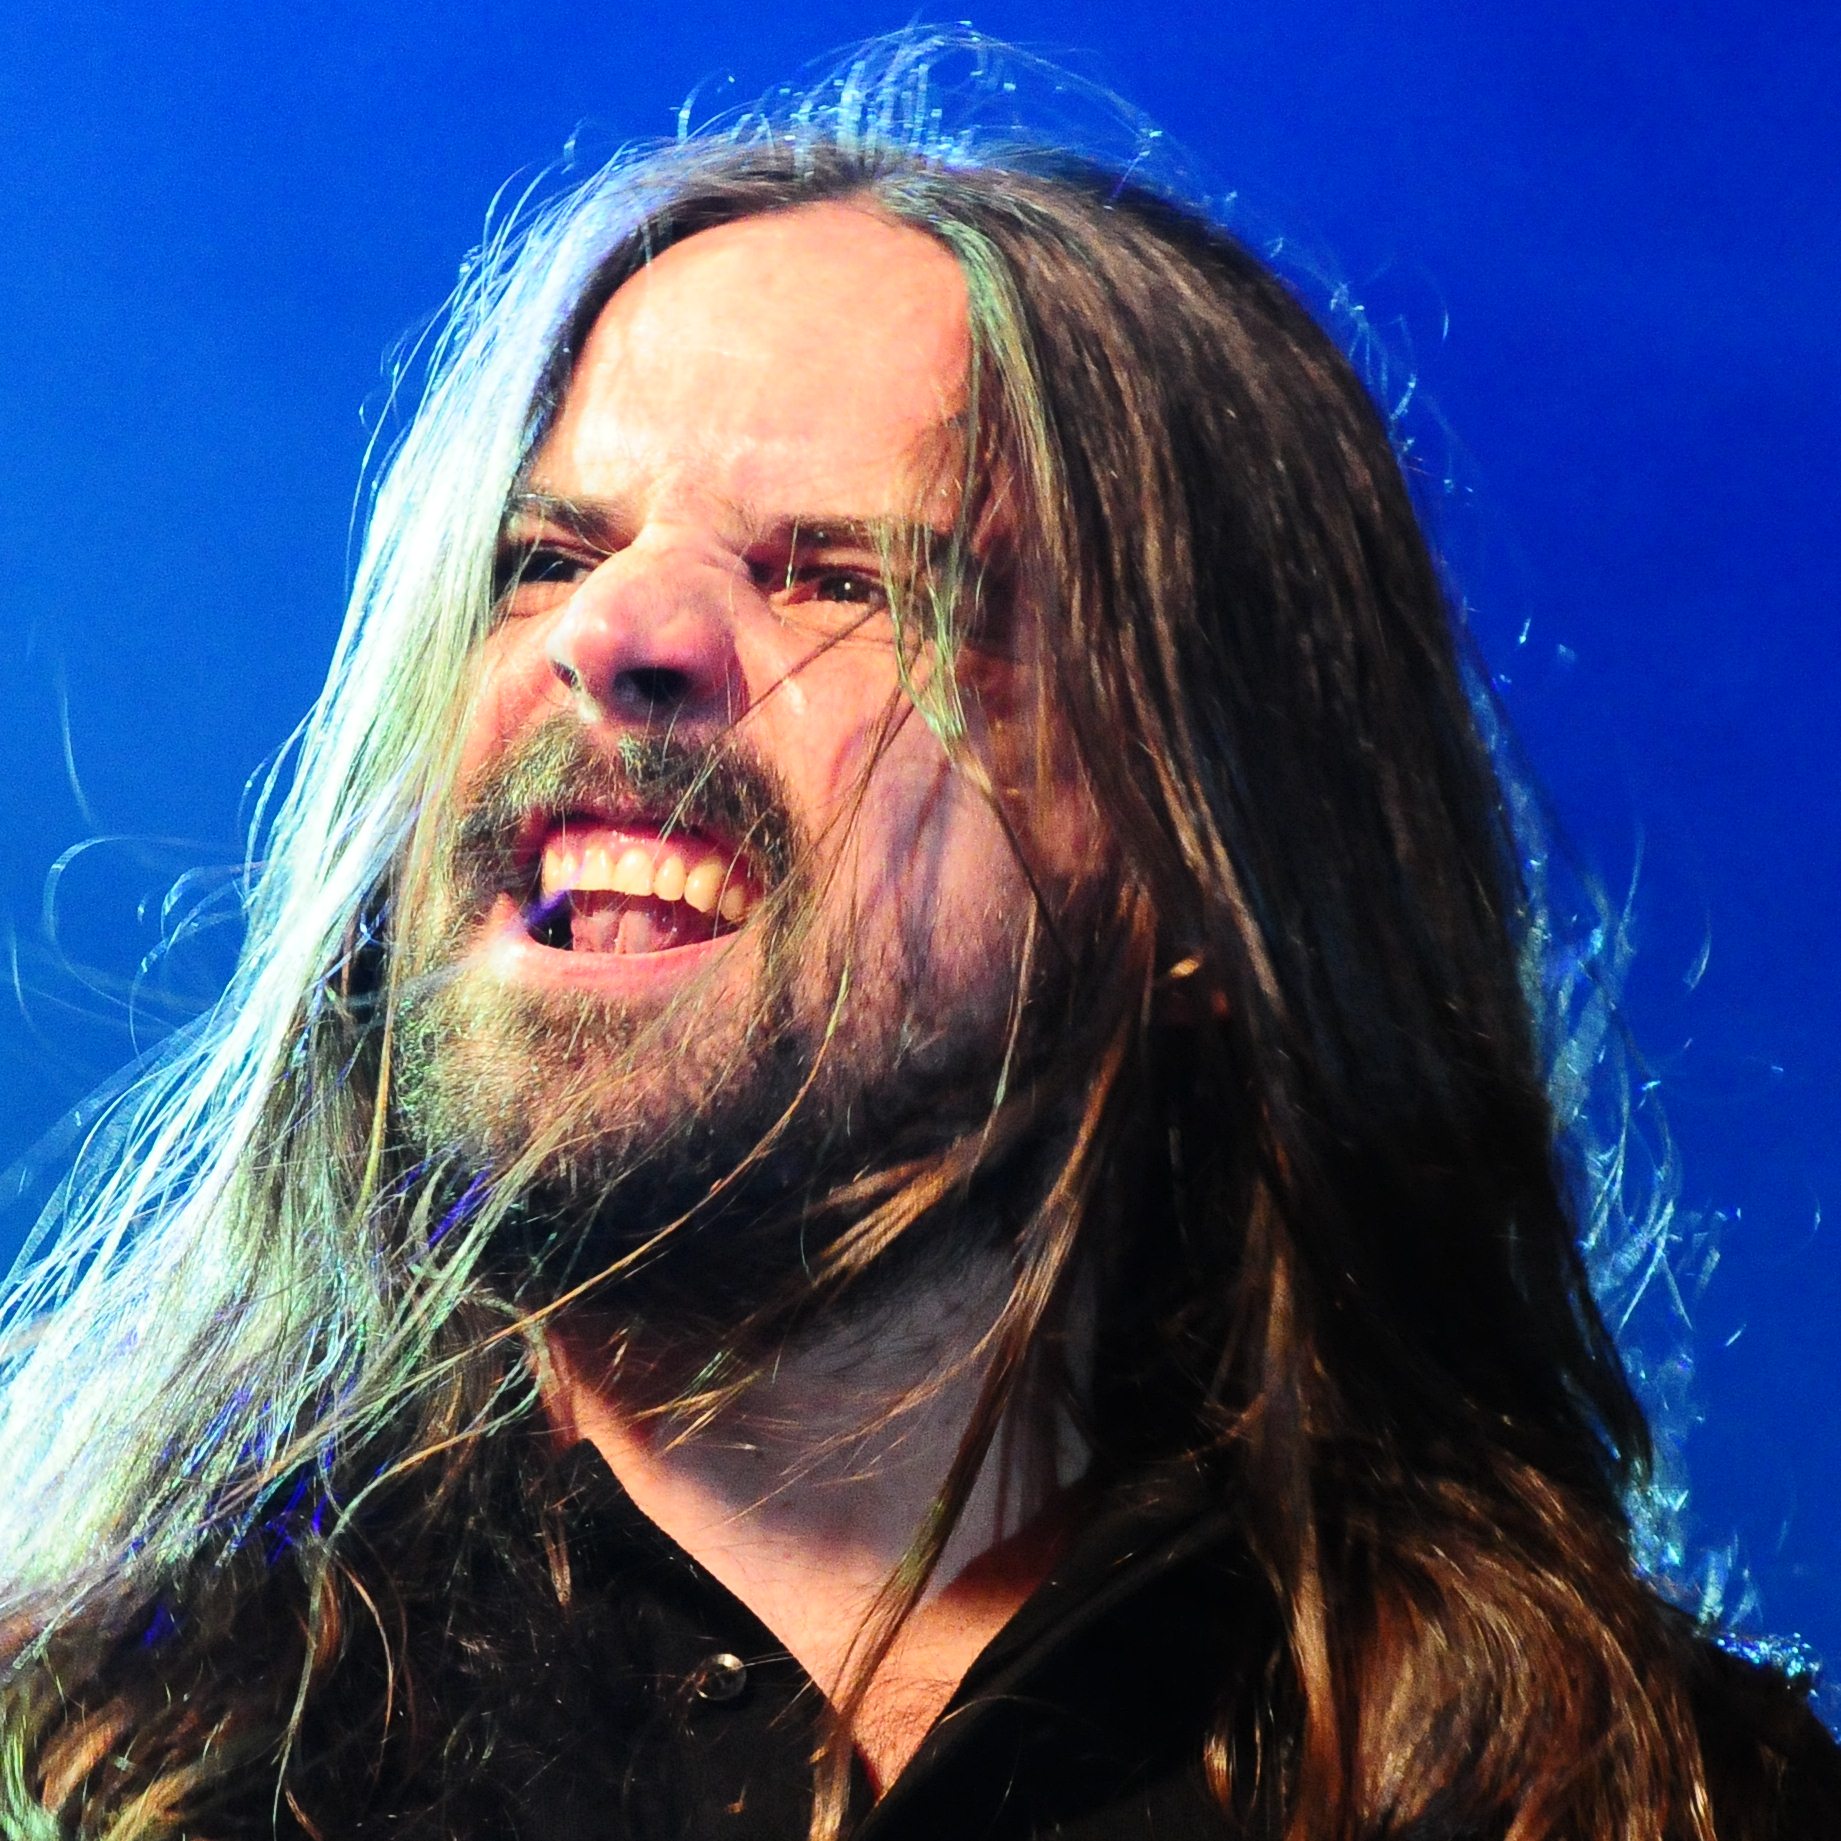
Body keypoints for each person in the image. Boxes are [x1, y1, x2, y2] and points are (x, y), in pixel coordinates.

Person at [0, 39, 1835, 1841]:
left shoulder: (1644, 1796)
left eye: (842, 574)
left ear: (1201, 871)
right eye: (543, 556)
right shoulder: (75, 1752)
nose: (614, 628)